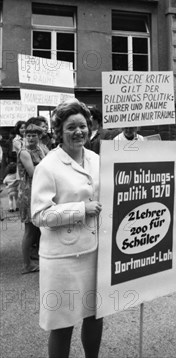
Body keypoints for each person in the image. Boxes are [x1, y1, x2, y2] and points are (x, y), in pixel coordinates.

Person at [31, 99, 103, 358]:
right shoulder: (48, 166)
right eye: (71, 127)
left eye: (83, 126)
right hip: (63, 259)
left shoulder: (95, 159)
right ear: (59, 132)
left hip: (95, 253)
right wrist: (80, 209)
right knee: (62, 324)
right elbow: (39, 215)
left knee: (95, 315)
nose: (79, 132)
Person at [17, 122, 47, 274]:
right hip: (28, 194)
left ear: (39, 136)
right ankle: (26, 265)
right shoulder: (24, 152)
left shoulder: (40, 148)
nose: (30, 138)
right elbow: (32, 172)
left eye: (33, 135)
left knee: (37, 229)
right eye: (28, 135)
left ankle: (34, 255)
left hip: (38, 191)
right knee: (29, 231)